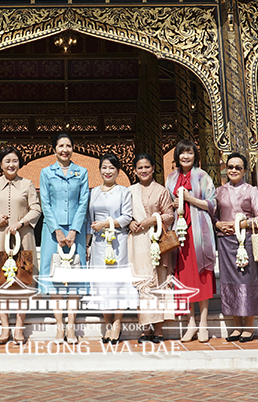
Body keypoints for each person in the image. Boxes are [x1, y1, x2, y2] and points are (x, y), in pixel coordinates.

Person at [0, 145, 41, 345]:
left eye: (14, 161)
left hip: (23, 240)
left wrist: (20, 223)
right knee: (2, 284)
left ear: (19, 163)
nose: (11, 164)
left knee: (22, 283)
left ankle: (19, 328)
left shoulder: (28, 184)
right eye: (7, 161)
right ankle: (5, 328)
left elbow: (36, 209)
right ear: (0, 164)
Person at [38, 130, 89, 342]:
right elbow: (45, 202)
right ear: (54, 149)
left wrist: (74, 229)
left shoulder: (82, 172)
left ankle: (71, 327)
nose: (65, 150)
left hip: (76, 232)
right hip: (52, 231)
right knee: (56, 279)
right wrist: (57, 230)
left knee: (74, 279)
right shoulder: (46, 172)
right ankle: (60, 326)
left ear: (73, 148)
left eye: (68, 145)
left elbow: (84, 201)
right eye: (61, 146)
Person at [166, 139, 217, 342]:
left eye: (189, 153)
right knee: (185, 279)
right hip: (180, 235)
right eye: (182, 153)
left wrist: (190, 199)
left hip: (199, 234)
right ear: (177, 156)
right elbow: (167, 204)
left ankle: (203, 323)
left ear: (195, 155)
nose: (185, 156)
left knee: (202, 277)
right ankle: (191, 323)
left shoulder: (202, 176)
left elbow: (212, 203)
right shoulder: (170, 178)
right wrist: (174, 203)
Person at [214, 151, 258, 343]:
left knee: (247, 281)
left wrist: (242, 224)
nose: (233, 170)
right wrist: (218, 224)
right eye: (230, 167)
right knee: (229, 284)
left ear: (244, 170)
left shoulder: (251, 190)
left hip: (245, 241)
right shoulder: (219, 191)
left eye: (238, 167)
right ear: (225, 169)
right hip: (225, 242)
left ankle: (249, 326)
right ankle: (236, 327)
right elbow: (214, 215)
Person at [127, 152, 174, 343]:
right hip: (137, 242)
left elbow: (169, 215)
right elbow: (124, 214)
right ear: (135, 171)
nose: (144, 170)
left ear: (153, 168)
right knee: (143, 285)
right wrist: (130, 221)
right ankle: (145, 329)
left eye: (147, 167)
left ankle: (159, 330)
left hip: (156, 242)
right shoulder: (129, 191)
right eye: (140, 167)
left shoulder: (161, 191)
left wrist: (151, 220)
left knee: (158, 283)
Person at [87, 152, 132, 343]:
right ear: (99, 170)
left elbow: (127, 217)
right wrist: (88, 244)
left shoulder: (124, 192)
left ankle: (117, 323)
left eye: (111, 167)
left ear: (118, 171)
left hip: (117, 243)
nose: (107, 171)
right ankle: (107, 322)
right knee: (101, 284)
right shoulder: (94, 192)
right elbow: (89, 219)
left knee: (117, 283)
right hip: (98, 243)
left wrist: (105, 224)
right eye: (104, 167)